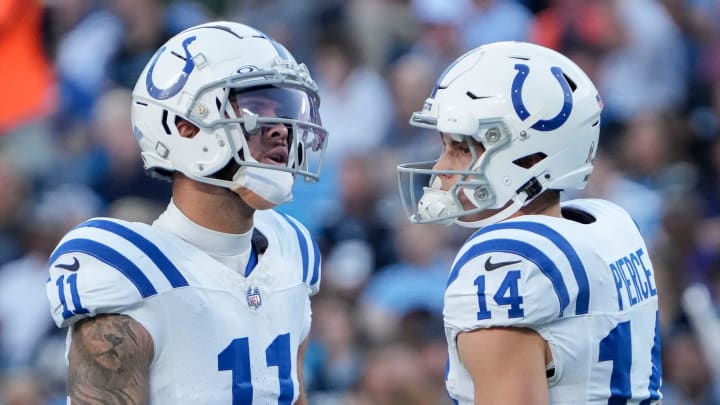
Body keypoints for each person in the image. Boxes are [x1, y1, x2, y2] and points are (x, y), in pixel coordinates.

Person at [46, 21, 328, 404]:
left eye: (286, 110)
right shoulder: (130, 274)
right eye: (257, 108)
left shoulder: (291, 251)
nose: (281, 129)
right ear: (185, 127)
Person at [396, 41, 662, 404]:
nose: (442, 166)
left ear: (530, 157)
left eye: (460, 148)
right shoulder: (610, 225)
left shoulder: (504, 263)